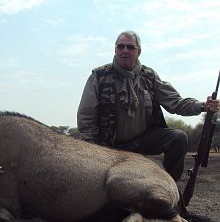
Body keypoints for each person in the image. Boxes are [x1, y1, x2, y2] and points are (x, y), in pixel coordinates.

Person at [77, 30, 220, 181]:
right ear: (115, 49)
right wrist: (90, 148)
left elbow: (176, 103)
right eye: (121, 46)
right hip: (109, 144)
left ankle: (169, 186)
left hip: (142, 140)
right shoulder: (99, 76)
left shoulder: (149, 76)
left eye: (130, 47)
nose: (125, 50)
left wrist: (203, 106)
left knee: (178, 138)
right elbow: (87, 116)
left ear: (139, 51)